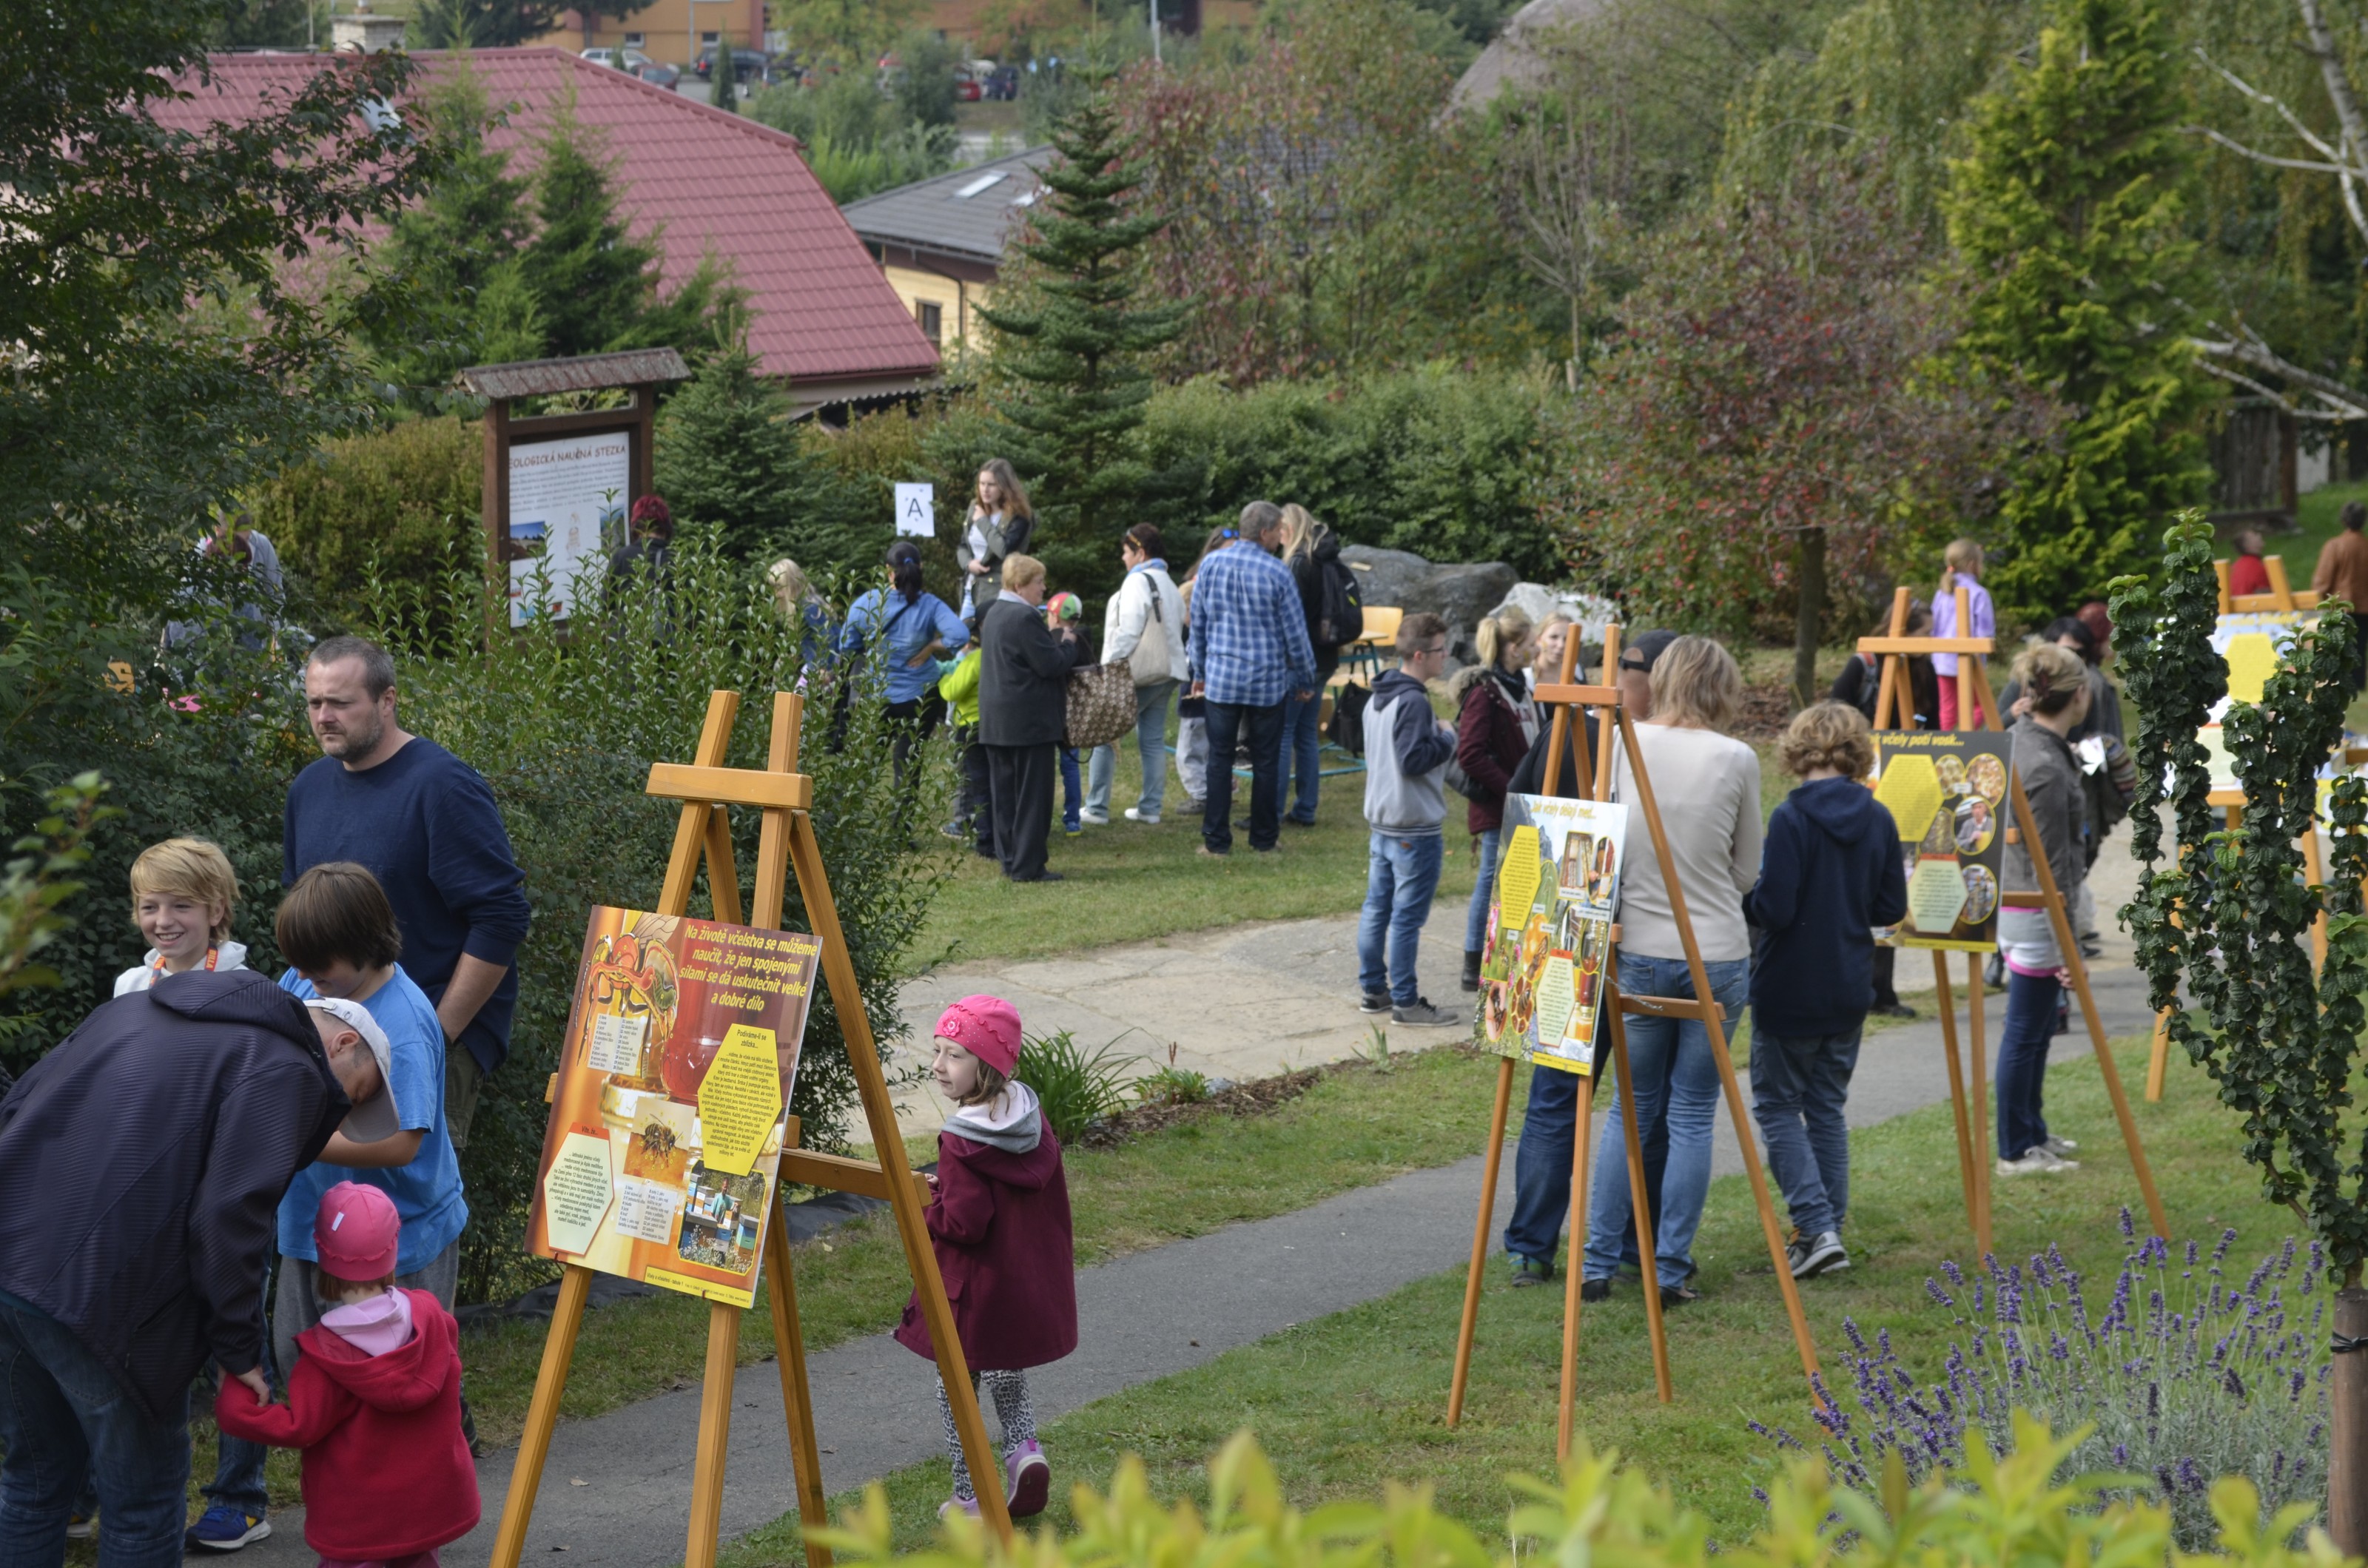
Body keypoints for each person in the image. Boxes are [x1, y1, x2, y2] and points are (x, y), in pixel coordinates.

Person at [0, 969, 388, 1568]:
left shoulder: (130, 1012)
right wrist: (239, 1350)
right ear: (342, 1043)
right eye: (352, 1095)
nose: (337, 1114)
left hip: (11, 1261)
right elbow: (230, 1216)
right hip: (102, 1301)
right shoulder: (289, 1066)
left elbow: (18, 1104)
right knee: (144, 1502)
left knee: (34, 1479)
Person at [198, 864, 469, 1551]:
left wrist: (299, 1139)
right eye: (300, 965)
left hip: (400, 1241)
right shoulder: (307, 983)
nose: (307, 979)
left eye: (321, 967)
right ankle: (352, 1486)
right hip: (311, 1227)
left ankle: (409, 1506)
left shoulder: (405, 1021)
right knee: (307, 1359)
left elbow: (405, 1141)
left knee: (397, 1370)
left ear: (367, 945)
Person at [289, 637, 530, 1157]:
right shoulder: (307, 789)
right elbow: (307, 922)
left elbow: (502, 918)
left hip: (423, 1037)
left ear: (387, 700)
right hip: (333, 1040)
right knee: (331, 1190)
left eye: (341, 703)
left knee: (405, 1193)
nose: (324, 717)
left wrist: (437, 1035)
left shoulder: (443, 786)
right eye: (315, 703)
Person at [1576, 636, 1761, 1308]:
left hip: (1643, 950)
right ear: (1722, 686)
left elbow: (1603, 848)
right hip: (1715, 952)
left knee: (1630, 1110)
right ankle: (1669, 1265)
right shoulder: (1735, 757)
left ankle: (1598, 1260)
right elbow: (1747, 871)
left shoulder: (1622, 744)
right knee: (1690, 1114)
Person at [1501, 629, 1677, 1287]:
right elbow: (1525, 811)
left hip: (1621, 937)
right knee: (1583, 1099)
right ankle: (1549, 1244)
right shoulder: (1589, 731)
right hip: (1582, 936)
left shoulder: (1643, 742)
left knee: (1633, 1103)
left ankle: (1608, 1245)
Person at [212, 1182, 478, 1568]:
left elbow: (298, 1427)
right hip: (427, 1509)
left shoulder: (326, 1357)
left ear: (323, 1260)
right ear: (393, 1252)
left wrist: (236, 1401)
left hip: (359, 1519)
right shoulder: (433, 1320)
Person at [892, 996, 1076, 1521]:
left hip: (973, 1291)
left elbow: (964, 1223)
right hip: (1019, 1284)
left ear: (988, 1067)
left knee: (955, 1384)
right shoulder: (1029, 1117)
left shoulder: (961, 1140)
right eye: (937, 1050)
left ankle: (969, 1495)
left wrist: (926, 1206)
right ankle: (1024, 1450)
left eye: (954, 1055)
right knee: (1004, 1367)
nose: (937, 1065)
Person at [1744, 704, 1908, 1282]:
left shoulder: (1791, 818)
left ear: (1798, 748)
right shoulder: (1879, 816)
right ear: (1857, 751)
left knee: (1777, 1105)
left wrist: (1746, 896)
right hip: (1848, 983)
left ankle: (1816, 1227)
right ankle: (1826, 1228)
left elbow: (1775, 908)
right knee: (1825, 1108)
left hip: (1789, 983)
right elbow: (1890, 906)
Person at [1995, 642, 2091, 1177]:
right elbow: (2053, 866)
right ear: (2079, 695)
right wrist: (2068, 944)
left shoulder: (2019, 740)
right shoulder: (2047, 765)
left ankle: (2030, 1131)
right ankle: (2015, 1147)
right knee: (2026, 1032)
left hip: (2017, 904)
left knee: (2033, 1032)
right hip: (2035, 912)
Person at [1189, 502, 1319, 857]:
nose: (1280, 537)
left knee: (1219, 760)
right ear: (1264, 533)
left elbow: (1198, 623)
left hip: (1222, 679)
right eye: (1277, 530)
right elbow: (1296, 635)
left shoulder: (1211, 565)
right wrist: (1306, 678)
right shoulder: (1278, 573)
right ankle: (1263, 839)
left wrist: (1199, 672)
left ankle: (1216, 842)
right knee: (1266, 761)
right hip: (1267, 683)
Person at [1356, 613, 1461, 1026]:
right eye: (1439, 650)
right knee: (1405, 919)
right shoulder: (1414, 701)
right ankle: (1406, 1002)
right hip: (1413, 829)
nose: (1445, 656)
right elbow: (1413, 760)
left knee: (1376, 909)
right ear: (1419, 655)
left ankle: (1374, 990)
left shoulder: (1377, 697)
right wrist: (1448, 737)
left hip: (1382, 825)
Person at [978, 554, 1083, 883]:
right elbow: (1051, 664)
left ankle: (1011, 860)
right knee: (1032, 797)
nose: (1044, 588)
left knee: (1005, 797)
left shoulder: (995, 612)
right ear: (1020, 585)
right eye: (1039, 582)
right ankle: (1029, 866)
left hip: (996, 721)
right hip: (1027, 722)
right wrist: (1068, 641)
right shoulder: (1024, 617)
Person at [1453, 608, 1540, 993]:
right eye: (1532, 642)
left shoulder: (1523, 688)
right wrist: (1511, 788)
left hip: (1524, 803)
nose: (1537, 648)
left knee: (1519, 881)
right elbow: (1470, 754)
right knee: (1491, 880)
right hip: (1498, 806)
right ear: (1514, 647)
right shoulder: (1486, 693)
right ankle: (1473, 962)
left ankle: (1511, 954)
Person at [839, 541, 969, 785]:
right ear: (921, 567)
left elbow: (846, 644)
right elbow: (960, 635)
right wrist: (932, 646)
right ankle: (904, 812)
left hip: (878, 696)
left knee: (864, 765)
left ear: (888, 570)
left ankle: (847, 808)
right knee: (908, 766)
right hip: (922, 696)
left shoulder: (868, 602)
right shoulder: (930, 604)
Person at [1085, 523, 1188, 827]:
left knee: (1104, 735)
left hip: (1140, 673)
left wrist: (1108, 668)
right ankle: (1150, 808)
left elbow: (1128, 631)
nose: (1123, 558)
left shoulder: (1137, 581)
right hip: (1168, 671)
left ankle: (1096, 808)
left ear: (1140, 552)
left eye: (1126, 552)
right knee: (1152, 740)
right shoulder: (1169, 583)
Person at [1279, 505, 1347, 827]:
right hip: (1326, 657)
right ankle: (1305, 809)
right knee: (1306, 735)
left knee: (1283, 734)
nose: (1278, 537)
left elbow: (1291, 619)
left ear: (1290, 529)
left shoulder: (1298, 563)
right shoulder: (1327, 558)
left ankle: (1270, 812)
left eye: (1281, 530)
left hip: (1300, 660)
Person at [112, 837, 249, 997]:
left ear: (216, 911)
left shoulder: (246, 990)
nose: (163, 921)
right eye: (150, 907)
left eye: (181, 906)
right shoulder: (129, 986)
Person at [1173, 528, 1237, 813]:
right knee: (1201, 739)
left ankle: (1203, 794)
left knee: (1198, 744)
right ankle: (1213, 788)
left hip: (1213, 680)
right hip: (1198, 678)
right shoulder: (1199, 582)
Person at [1829, 601, 1939, 729]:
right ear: (1904, 633)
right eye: (1926, 633)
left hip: (1908, 741)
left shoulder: (1926, 669)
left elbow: (1933, 724)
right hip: (1862, 739)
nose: (1931, 639)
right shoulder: (1862, 665)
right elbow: (1835, 714)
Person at [955, 460, 1036, 618]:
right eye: (982, 484)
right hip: (972, 587)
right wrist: (968, 564)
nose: (985, 490)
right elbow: (963, 545)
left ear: (1004, 486)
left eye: (991, 485)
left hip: (998, 590)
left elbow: (1003, 551)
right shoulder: (975, 507)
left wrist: (982, 521)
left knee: (991, 632)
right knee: (962, 633)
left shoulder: (1019, 516)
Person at [1930, 539, 1995, 730]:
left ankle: (1946, 743)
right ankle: (1963, 740)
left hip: (1943, 661)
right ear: (1973, 564)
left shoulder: (1942, 593)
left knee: (1948, 711)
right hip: (1970, 660)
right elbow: (1985, 632)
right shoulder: (1979, 594)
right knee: (1982, 707)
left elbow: (1933, 626)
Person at [1044, 592, 1094, 837]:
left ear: (1054, 616)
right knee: (1071, 768)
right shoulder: (1083, 639)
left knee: (1043, 769)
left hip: (1049, 711)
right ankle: (1073, 820)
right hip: (1075, 714)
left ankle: (1041, 818)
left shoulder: (1048, 640)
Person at [935, 643, 991, 856]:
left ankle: (967, 824)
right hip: (996, 724)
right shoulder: (1003, 655)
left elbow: (952, 692)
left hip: (971, 725)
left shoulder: (975, 659)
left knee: (970, 778)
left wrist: (943, 677)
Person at [2315, 502, 2368, 692]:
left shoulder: (2335, 546)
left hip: (2341, 607)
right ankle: (2359, 684)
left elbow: (2322, 580)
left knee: (2340, 649)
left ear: (2343, 520)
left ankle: (2341, 685)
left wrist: (2321, 601)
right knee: (2359, 648)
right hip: (2365, 607)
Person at [767, 557, 834, 670]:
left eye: (779, 587)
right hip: (814, 663)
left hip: (826, 666)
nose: (776, 593)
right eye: (773, 587)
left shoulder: (809, 607)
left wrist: (823, 668)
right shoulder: (797, 608)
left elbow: (827, 638)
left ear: (792, 585)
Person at [2227, 528, 2273, 599]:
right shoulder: (2257, 567)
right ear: (2247, 545)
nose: (2259, 535)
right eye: (2255, 535)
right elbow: (2265, 595)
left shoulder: (2235, 566)